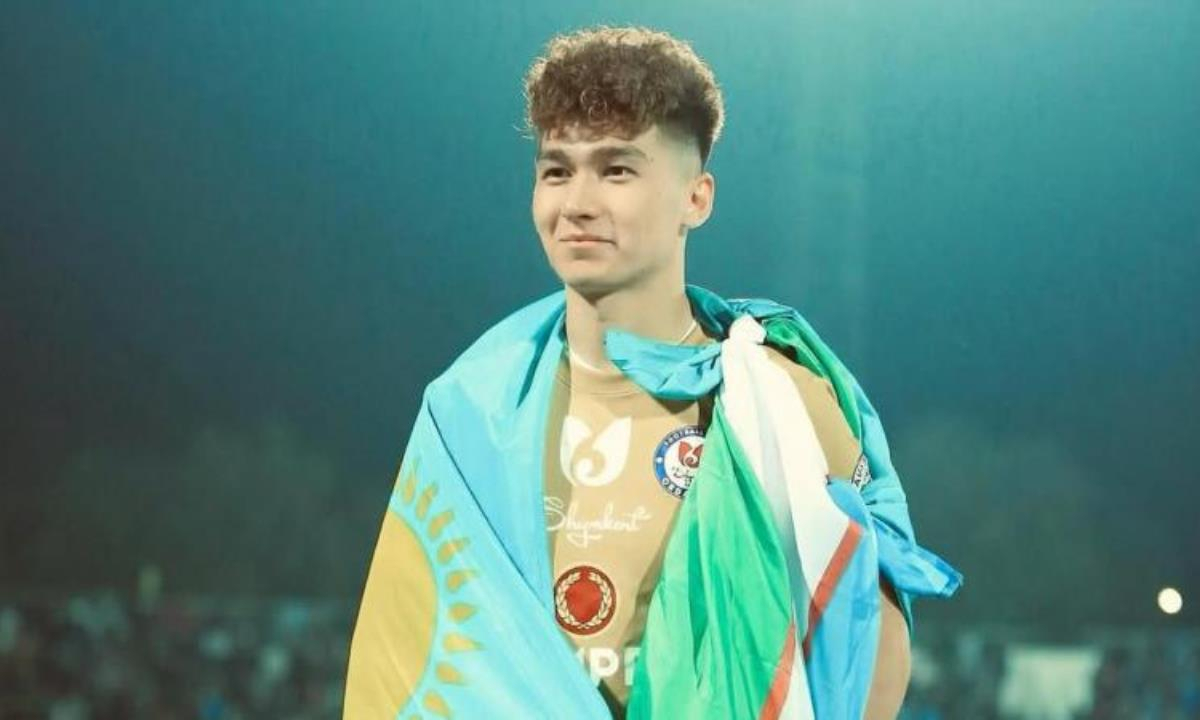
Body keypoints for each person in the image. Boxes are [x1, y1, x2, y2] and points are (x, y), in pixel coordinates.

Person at [343, 25, 960, 720]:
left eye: (617, 170)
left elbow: (874, 650)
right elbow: (410, 657)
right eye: (557, 171)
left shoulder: (776, 400)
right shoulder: (470, 413)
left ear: (696, 199)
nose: (577, 203)